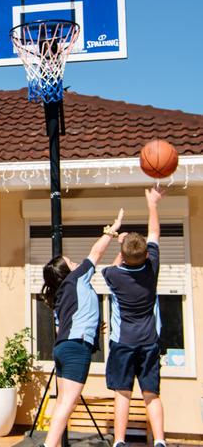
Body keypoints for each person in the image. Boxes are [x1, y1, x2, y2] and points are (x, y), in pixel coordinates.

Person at [40, 208, 124, 447]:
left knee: (64, 401)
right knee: (68, 402)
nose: (75, 262)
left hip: (63, 347)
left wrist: (92, 327)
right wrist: (112, 229)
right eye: (70, 262)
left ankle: (53, 444)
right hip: (76, 347)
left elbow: (61, 327)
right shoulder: (76, 278)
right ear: (67, 271)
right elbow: (96, 252)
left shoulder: (60, 295)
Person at [102, 187, 166, 447]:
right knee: (151, 393)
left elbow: (117, 264)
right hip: (149, 341)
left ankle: (119, 441)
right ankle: (160, 440)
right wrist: (153, 204)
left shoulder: (114, 275)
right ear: (147, 255)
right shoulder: (152, 267)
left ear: (125, 256)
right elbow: (154, 233)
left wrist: (120, 244)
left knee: (123, 392)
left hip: (123, 343)